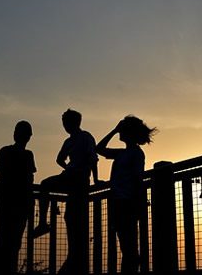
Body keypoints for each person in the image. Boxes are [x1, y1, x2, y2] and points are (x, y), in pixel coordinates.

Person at [33, 109, 99, 274]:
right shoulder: (69, 141)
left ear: (75, 122)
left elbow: (93, 159)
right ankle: (42, 223)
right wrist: (68, 167)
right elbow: (59, 158)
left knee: (72, 215)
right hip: (70, 177)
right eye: (64, 123)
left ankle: (43, 223)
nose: (65, 126)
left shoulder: (86, 137)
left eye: (66, 122)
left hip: (80, 179)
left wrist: (95, 179)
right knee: (45, 185)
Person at [96, 115, 156, 275]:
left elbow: (138, 179)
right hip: (119, 203)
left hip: (127, 203)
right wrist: (115, 130)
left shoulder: (136, 154)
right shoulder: (123, 153)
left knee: (129, 247)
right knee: (126, 246)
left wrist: (139, 202)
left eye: (122, 130)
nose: (120, 132)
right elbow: (99, 149)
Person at [0, 121, 36, 274]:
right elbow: (29, 180)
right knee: (10, 241)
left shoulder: (5, 152)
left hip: (10, 202)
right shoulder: (25, 155)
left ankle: (4, 270)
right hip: (15, 202)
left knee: (7, 241)